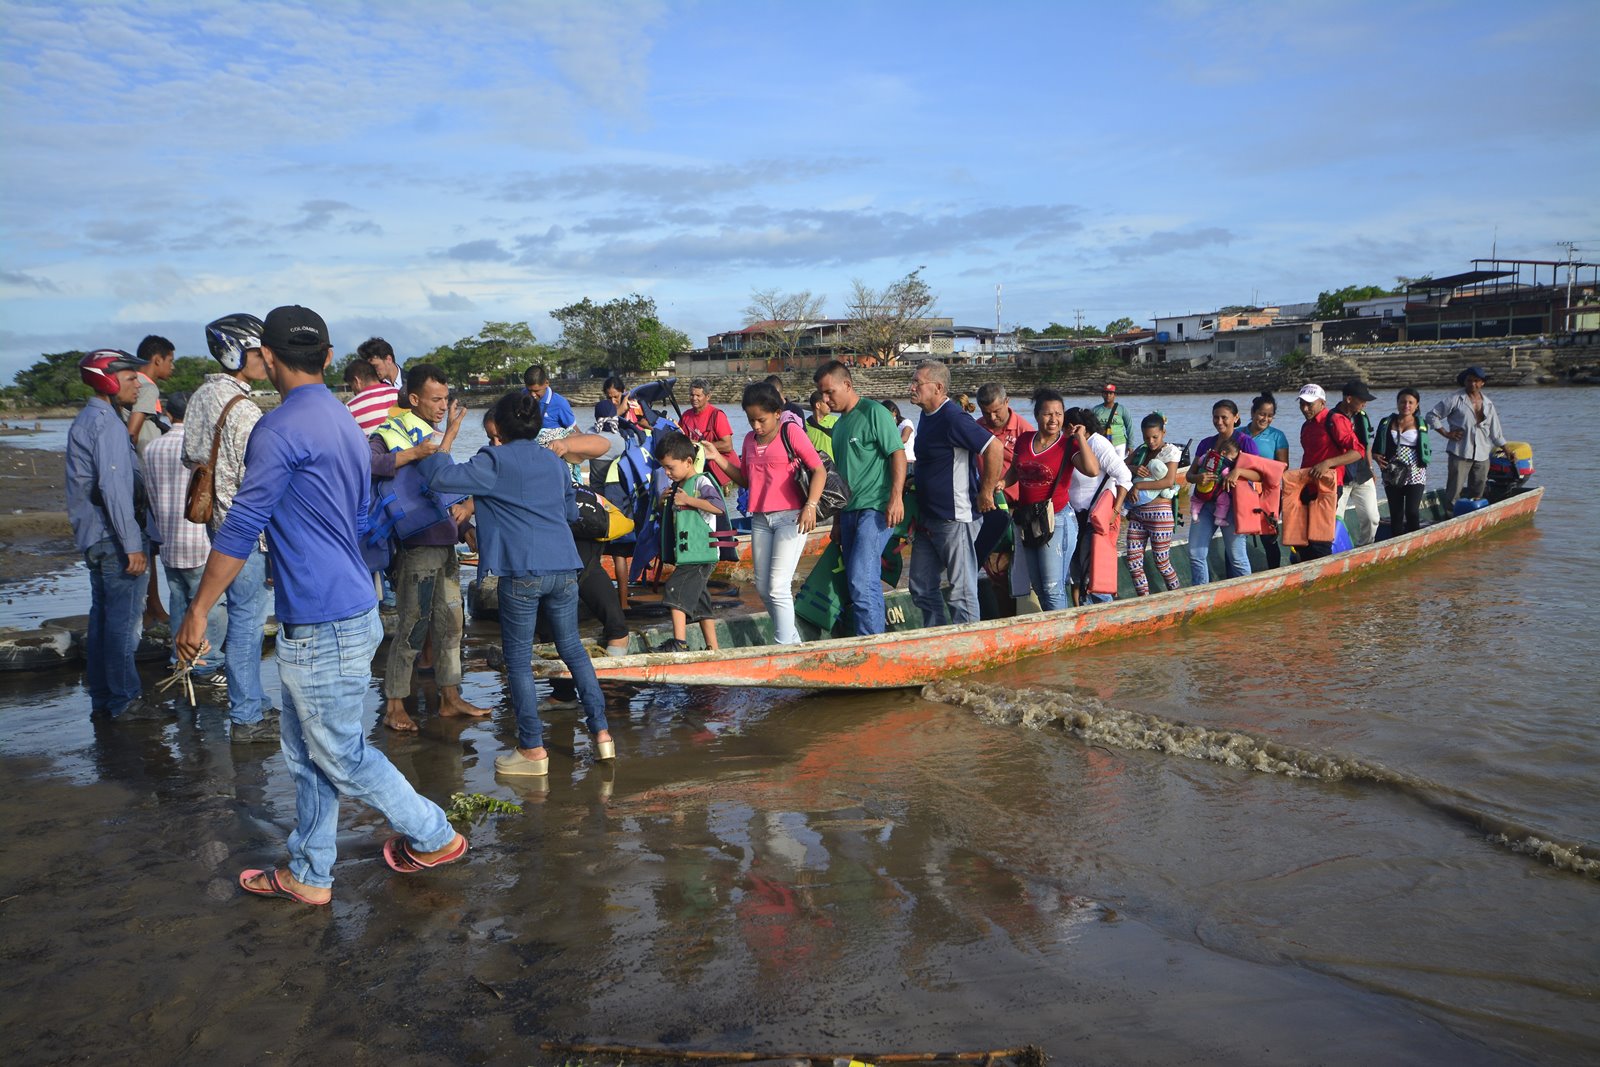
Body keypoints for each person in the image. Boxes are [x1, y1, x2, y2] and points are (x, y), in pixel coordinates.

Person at [177, 305, 468, 906]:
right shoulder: (343, 420)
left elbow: (243, 525)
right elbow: (360, 511)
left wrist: (199, 608)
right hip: (351, 602)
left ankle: (434, 834)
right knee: (306, 752)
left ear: (270, 359)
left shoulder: (278, 428)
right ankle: (309, 871)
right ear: (331, 359)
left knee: (339, 753)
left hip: (321, 617)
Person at [420, 390, 615, 776]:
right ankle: (603, 735)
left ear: (501, 430)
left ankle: (531, 749)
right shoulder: (554, 460)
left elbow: (441, 477)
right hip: (563, 567)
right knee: (573, 650)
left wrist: (449, 436)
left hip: (522, 570)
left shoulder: (492, 459)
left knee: (519, 661)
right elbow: (569, 512)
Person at [369, 364, 487, 733]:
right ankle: (394, 705)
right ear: (414, 398)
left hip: (443, 541)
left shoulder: (432, 436)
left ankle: (450, 697)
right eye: (435, 399)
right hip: (416, 547)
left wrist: (465, 527)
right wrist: (414, 454)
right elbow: (367, 464)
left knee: (452, 622)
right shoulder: (390, 433)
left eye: (445, 399)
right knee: (412, 626)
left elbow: (445, 491)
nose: (441, 405)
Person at [184, 314, 278, 743]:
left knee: (243, 618)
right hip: (245, 531)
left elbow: (191, 457)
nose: (264, 360)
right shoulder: (243, 409)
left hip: (214, 526)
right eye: (259, 352)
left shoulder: (201, 396)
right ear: (236, 353)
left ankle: (252, 704)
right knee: (247, 622)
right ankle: (247, 716)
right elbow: (258, 475)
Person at [66, 350, 156, 720]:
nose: (138, 384)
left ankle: (104, 698)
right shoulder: (108, 425)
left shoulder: (89, 419)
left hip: (95, 537)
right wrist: (133, 546)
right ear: (108, 379)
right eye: (131, 378)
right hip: (114, 539)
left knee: (102, 622)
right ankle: (125, 701)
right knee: (121, 626)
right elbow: (114, 489)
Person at [700, 382, 825, 645]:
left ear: (777, 412)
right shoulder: (748, 440)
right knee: (763, 587)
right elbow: (746, 480)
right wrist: (717, 458)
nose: (756, 426)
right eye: (750, 420)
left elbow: (818, 470)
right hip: (760, 519)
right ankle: (792, 640)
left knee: (779, 586)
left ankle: (783, 646)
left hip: (791, 517)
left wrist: (810, 506)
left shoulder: (791, 432)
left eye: (761, 419)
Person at [143, 391, 228, 700]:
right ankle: (207, 665)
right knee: (212, 607)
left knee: (180, 600)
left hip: (168, 540)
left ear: (167, 413)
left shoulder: (151, 448)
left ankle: (180, 661)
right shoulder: (196, 448)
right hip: (198, 540)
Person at [905, 362, 1002, 626]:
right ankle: (938, 635)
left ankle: (970, 644)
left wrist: (986, 492)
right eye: (912, 381)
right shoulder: (927, 416)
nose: (911, 387)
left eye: (917, 382)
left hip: (956, 519)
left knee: (961, 591)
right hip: (928, 520)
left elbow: (994, 448)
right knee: (921, 586)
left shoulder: (953, 418)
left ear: (938, 388)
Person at [813, 360, 906, 636]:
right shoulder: (839, 426)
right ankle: (867, 637)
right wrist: (838, 522)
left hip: (875, 509)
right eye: (822, 394)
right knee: (858, 581)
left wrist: (896, 497)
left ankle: (872, 645)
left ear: (848, 385)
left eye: (830, 392)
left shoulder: (873, 412)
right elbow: (841, 480)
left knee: (861, 580)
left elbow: (897, 454)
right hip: (850, 513)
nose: (825, 399)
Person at [1002, 388, 1097, 611]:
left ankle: (1061, 637)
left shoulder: (1068, 445)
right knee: (1038, 585)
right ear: (1037, 416)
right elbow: (1015, 471)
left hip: (1057, 521)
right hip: (1027, 520)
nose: (1054, 419)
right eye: (1047, 414)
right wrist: (1000, 483)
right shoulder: (1024, 440)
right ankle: (1053, 631)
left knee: (1053, 587)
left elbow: (1092, 470)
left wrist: (1081, 438)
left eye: (1058, 414)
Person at [651, 432, 726, 653]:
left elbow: (719, 506)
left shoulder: (701, 482)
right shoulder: (677, 486)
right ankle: (713, 648)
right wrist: (661, 502)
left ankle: (679, 643)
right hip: (689, 553)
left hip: (701, 553)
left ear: (688, 462)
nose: (666, 472)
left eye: (670, 467)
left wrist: (688, 500)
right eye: (663, 467)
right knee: (701, 601)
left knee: (674, 590)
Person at [1185, 400, 1261, 585]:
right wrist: (1198, 478)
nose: (1219, 421)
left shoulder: (1245, 442)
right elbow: (1189, 474)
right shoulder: (1205, 444)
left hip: (1233, 507)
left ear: (1235, 418)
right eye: (1216, 417)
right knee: (1196, 553)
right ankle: (1200, 593)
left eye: (1224, 417)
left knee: (1236, 556)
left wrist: (1238, 471)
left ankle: (1248, 593)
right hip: (1204, 504)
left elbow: (1260, 474)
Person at [1066, 407, 1132, 603]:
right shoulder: (1071, 444)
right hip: (1074, 517)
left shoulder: (1097, 443)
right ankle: (1081, 612)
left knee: (1093, 571)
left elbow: (1124, 475)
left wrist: (1116, 509)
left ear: (1073, 427)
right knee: (1076, 572)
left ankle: (1103, 611)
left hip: (1094, 519)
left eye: (1064, 429)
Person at [1295, 383, 1364, 560]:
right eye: (1302, 403)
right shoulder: (1306, 426)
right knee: (1300, 538)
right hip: (1308, 486)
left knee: (1319, 539)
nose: (1305, 408)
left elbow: (1358, 451)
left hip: (1328, 487)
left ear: (1322, 403)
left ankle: (1321, 573)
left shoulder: (1335, 420)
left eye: (1309, 404)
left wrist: (1328, 463)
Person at [1427, 365, 1509, 506]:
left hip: (1482, 454)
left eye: (1476, 381)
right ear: (1464, 382)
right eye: (1469, 380)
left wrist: (1507, 450)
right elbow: (1432, 416)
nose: (1473, 384)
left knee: (1478, 492)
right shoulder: (1455, 399)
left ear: (1482, 383)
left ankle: (1474, 517)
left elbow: (1496, 432)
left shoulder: (1488, 404)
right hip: (1460, 451)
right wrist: (1446, 433)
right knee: (1454, 492)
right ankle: (1450, 518)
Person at [1125, 413, 1184, 596]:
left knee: (1161, 561)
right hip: (1137, 514)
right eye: (1146, 437)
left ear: (1163, 432)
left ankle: (1177, 597)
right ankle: (1144, 601)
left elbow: (1168, 481)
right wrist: (1134, 468)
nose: (1150, 441)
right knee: (1133, 562)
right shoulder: (1142, 450)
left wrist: (1138, 485)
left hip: (1159, 514)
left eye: (1154, 437)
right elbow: (1120, 466)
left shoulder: (1170, 451)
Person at [1373, 387, 1431, 537]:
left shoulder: (1421, 424)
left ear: (1417, 405)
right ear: (1397, 403)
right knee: (1396, 513)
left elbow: (1426, 448)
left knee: (1412, 511)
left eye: (1411, 402)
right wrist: (1376, 458)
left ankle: (1415, 541)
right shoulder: (1386, 422)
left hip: (1416, 471)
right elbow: (1376, 449)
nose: (1406, 405)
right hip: (1392, 471)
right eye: (1403, 402)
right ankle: (1397, 542)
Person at [1245, 391, 1290, 568]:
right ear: (1253, 413)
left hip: (1269, 493)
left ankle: (1274, 571)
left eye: (1270, 416)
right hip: (1242, 492)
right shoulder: (1239, 434)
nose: (1265, 419)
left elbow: (1283, 468)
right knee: (1237, 534)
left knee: (1268, 536)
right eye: (1262, 414)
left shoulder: (1278, 436)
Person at [1333, 380, 1380, 547]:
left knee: (1372, 518)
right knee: (1335, 520)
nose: (1365, 404)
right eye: (1362, 400)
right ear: (1349, 399)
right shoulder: (1333, 419)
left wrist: (1371, 468)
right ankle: (1336, 550)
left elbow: (1365, 445)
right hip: (1340, 477)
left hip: (1362, 473)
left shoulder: (1362, 417)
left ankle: (1365, 546)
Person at [977, 383, 1033, 505]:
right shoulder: (976, 428)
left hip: (1015, 504)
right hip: (983, 502)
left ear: (1007, 401)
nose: (992, 418)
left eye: (996, 411)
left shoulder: (1025, 431)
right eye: (986, 413)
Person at [678, 378, 736, 487]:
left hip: (718, 470)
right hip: (696, 469)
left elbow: (727, 445)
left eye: (698, 396)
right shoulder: (686, 416)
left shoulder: (717, 415)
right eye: (692, 395)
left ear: (708, 396)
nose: (694, 398)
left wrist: (698, 445)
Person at [125, 334, 175, 456]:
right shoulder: (148, 387)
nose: (172, 367)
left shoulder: (132, 382)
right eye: (170, 361)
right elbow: (132, 434)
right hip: (142, 464)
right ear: (158, 360)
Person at [344, 356, 397, 433]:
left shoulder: (351, 407)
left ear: (357, 380)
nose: (353, 391)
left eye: (351, 386)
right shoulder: (397, 393)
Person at [523, 363, 575, 430]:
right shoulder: (522, 396)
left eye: (536, 391)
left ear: (546, 383)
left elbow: (575, 432)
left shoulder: (560, 403)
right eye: (529, 390)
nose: (533, 395)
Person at [1090, 383, 1136, 459]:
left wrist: (1131, 445)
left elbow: (1129, 427)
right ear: (1102, 394)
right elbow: (1091, 427)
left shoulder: (1122, 409)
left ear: (1115, 395)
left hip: (1120, 444)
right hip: (1102, 443)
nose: (1108, 395)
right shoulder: (1096, 410)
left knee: (1120, 467)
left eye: (1110, 393)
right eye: (1106, 393)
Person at [804, 389, 837, 459]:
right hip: (816, 468)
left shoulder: (835, 421)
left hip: (834, 467)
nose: (830, 404)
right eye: (826, 402)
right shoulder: (804, 426)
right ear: (818, 405)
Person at [883, 399, 916, 464]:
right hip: (894, 461)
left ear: (895, 412)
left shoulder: (906, 423)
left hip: (908, 461)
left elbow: (904, 439)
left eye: (886, 414)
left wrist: (886, 445)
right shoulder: (889, 426)